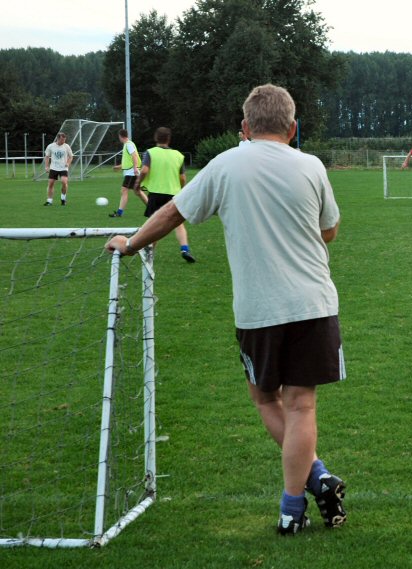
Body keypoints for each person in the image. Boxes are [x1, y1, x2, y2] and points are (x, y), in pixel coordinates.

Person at [106, 84, 346, 535]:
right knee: (302, 406)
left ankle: (311, 485)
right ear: (293, 129)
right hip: (315, 303)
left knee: (265, 398)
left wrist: (132, 243)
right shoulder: (311, 165)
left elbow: (174, 212)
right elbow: (329, 230)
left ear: (244, 127)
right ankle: (299, 500)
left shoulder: (225, 164)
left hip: (259, 307)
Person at [135, 127, 196, 263]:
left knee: (154, 224)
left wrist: (138, 183)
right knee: (178, 223)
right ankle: (185, 249)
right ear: (169, 139)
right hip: (173, 194)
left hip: (156, 193)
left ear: (156, 138)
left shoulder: (150, 153)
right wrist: (181, 190)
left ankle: (149, 252)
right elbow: (182, 178)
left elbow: (144, 170)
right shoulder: (178, 155)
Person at [109, 129, 148, 217]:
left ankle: (119, 213)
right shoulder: (128, 144)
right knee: (137, 191)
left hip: (131, 172)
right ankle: (152, 209)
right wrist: (118, 167)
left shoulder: (128, 144)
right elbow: (128, 160)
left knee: (124, 190)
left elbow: (134, 156)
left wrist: (134, 168)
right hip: (131, 171)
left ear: (120, 136)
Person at [43, 132, 73, 206]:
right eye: (62, 140)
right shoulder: (51, 146)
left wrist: (68, 163)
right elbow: (47, 157)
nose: (63, 141)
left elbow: (71, 156)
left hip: (63, 168)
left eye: (64, 140)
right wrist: (47, 166)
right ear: (58, 139)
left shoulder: (66, 146)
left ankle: (63, 199)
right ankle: (49, 201)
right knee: (51, 183)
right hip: (53, 168)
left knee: (64, 182)